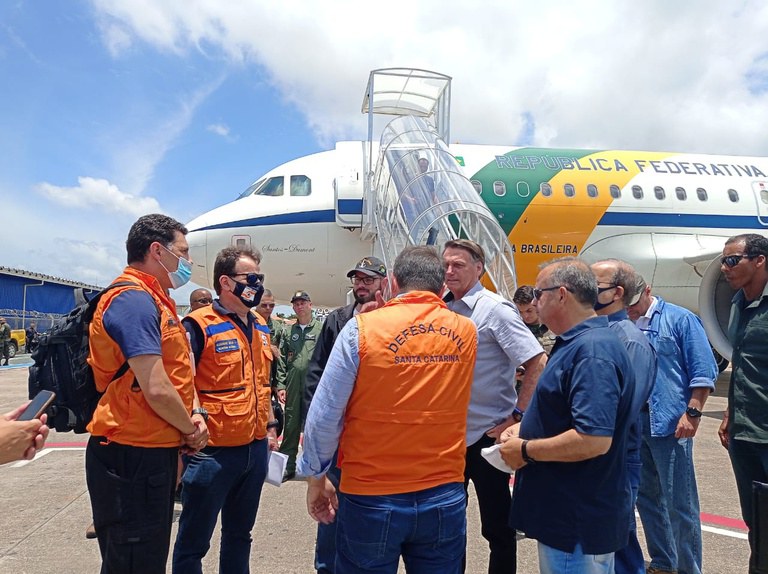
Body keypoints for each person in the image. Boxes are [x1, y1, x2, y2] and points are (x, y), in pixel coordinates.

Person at [298, 245, 478, 574]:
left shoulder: (361, 330)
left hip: (371, 495)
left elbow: (324, 416)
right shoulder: (466, 332)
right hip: (443, 492)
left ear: (392, 283)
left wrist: (316, 478)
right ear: (441, 289)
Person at [85, 213, 209, 574]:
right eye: (183, 253)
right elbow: (155, 386)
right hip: (130, 455)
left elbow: (177, 372)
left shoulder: (157, 299)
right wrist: (190, 428)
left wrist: (192, 417)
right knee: (134, 561)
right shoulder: (134, 301)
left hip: (150, 450)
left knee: (147, 558)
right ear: (158, 250)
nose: (187, 263)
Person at [500, 257, 635, 573]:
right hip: (570, 515)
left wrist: (525, 450)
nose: (534, 302)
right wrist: (523, 431)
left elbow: (593, 439)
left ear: (561, 294)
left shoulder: (591, 352)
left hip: (576, 520)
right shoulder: (577, 344)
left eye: (538, 293)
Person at [172, 246, 279, 573]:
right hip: (212, 455)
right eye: (251, 278)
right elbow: (181, 381)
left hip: (255, 449)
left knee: (240, 534)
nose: (257, 285)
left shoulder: (260, 325)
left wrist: (272, 425)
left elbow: (263, 381)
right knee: (193, 542)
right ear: (226, 282)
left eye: (259, 278)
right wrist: (193, 419)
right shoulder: (198, 325)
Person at [442, 239, 546, 574]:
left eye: (458, 265)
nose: (449, 271)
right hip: (448, 440)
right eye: (446, 265)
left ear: (479, 268)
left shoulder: (495, 309)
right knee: (446, 528)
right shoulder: (441, 308)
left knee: (498, 529)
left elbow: (536, 361)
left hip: (487, 437)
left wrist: (517, 417)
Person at [302, 255, 387, 574]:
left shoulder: (391, 319)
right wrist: (314, 424)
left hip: (374, 435)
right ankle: (326, 566)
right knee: (330, 503)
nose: (361, 285)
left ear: (382, 283)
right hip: (338, 434)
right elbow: (316, 373)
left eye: (368, 279)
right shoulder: (337, 320)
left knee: (373, 506)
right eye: (357, 279)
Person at [627, 277, 717, 574]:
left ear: (648, 291)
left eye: (634, 303)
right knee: (647, 499)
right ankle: (664, 562)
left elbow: (703, 368)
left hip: (669, 421)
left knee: (681, 503)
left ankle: (689, 568)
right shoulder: (625, 322)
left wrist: (693, 412)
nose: (631, 310)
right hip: (635, 422)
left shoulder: (680, 319)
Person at [590, 259, 656, 574]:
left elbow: (624, 412)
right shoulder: (592, 332)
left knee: (617, 542)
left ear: (617, 293)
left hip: (613, 459)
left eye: (593, 286)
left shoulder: (629, 341)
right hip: (593, 456)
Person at [717, 233, 768, 567]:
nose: (725, 268)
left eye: (732, 260)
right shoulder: (739, 304)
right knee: (755, 521)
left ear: (760, 261)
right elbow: (741, 362)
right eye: (723, 261)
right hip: (744, 433)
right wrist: (729, 412)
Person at [276, 290, 322, 481]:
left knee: (316, 425)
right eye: (296, 303)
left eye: (303, 303)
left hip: (315, 383)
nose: (299, 306)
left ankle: (317, 468)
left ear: (310, 305)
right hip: (294, 382)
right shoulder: (289, 331)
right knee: (292, 424)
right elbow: (282, 361)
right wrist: (281, 385)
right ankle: (288, 466)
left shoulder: (321, 329)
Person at [513, 285, 556, 355]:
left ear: (536, 304)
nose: (525, 316)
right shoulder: (517, 331)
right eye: (520, 312)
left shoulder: (555, 327)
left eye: (529, 311)